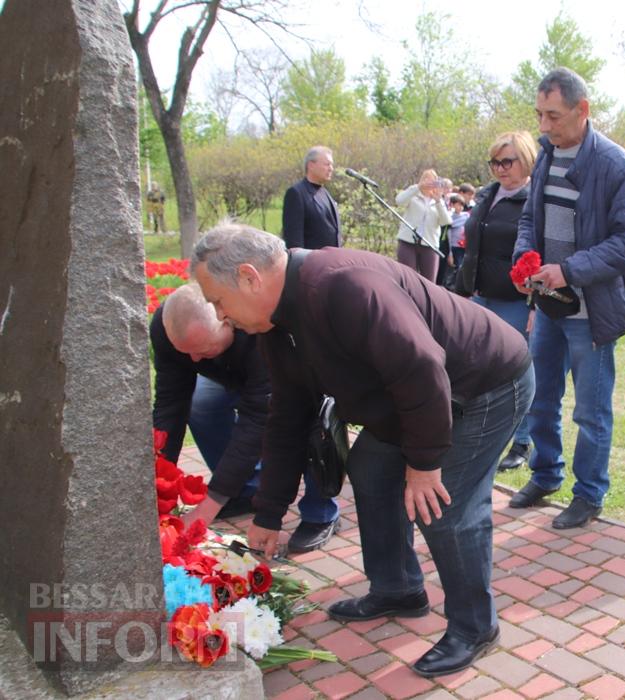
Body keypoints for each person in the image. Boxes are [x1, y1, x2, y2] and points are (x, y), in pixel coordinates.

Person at [191, 223, 534, 678]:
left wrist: (425, 463)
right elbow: (288, 417)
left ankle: (475, 627)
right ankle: (398, 589)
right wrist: (268, 512)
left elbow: (422, 366)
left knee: (443, 504)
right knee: (371, 467)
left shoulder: (343, 284)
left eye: (218, 301)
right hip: (418, 398)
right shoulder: (277, 325)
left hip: (484, 383)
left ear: (250, 277)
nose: (220, 316)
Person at [509, 67, 625, 529]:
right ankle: (546, 474)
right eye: (539, 115)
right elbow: (530, 218)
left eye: (553, 115)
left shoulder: (613, 164)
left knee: (590, 410)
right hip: (549, 305)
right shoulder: (548, 155)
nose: (544, 127)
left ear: (582, 109)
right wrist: (524, 258)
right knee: (539, 398)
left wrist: (569, 271)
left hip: (593, 311)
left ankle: (589, 493)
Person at [152, 284, 341, 551]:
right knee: (201, 403)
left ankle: (320, 512)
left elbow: (257, 421)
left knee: (306, 421)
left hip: (298, 374)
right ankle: (245, 488)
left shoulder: (256, 324)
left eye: (203, 349)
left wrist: (210, 504)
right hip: (234, 371)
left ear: (227, 323)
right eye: (185, 352)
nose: (193, 359)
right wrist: (160, 479)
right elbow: (170, 403)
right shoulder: (169, 328)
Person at [455, 130, 538, 473]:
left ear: (527, 159)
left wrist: (535, 305)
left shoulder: (535, 199)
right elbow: (472, 246)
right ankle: (482, 433)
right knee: (479, 369)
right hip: (479, 296)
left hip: (514, 301)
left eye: (508, 161)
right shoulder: (488, 195)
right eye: (495, 162)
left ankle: (522, 440)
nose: (500, 169)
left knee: (515, 371)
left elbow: (538, 253)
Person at [395, 169, 452, 283]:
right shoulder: (413, 193)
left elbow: (446, 222)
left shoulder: (439, 200)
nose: (429, 183)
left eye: (432, 180)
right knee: (408, 279)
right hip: (408, 243)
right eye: (426, 179)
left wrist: (438, 201)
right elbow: (399, 201)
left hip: (429, 245)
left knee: (429, 282)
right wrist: (418, 188)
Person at [281, 146, 340, 250]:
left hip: (331, 262)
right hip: (311, 263)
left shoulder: (325, 193)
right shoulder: (296, 193)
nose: (331, 169)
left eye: (331, 165)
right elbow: (294, 241)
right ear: (311, 165)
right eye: (327, 164)